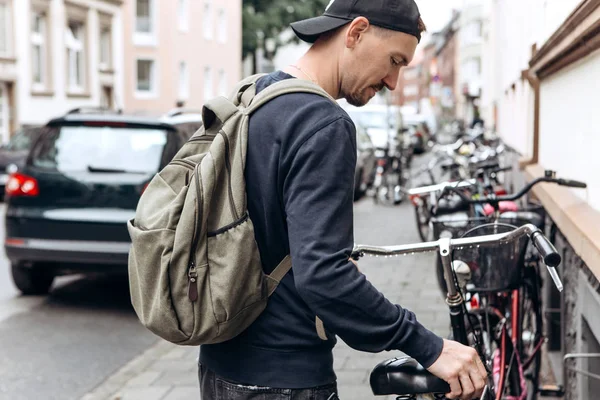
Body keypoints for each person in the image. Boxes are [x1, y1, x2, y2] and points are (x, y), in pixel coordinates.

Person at [198, 0, 487, 399]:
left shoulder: (256, 95)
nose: (393, 82)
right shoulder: (323, 122)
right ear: (356, 32)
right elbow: (323, 274)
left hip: (219, 368)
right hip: (284, 379)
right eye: (394, 60)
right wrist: (429, 346)